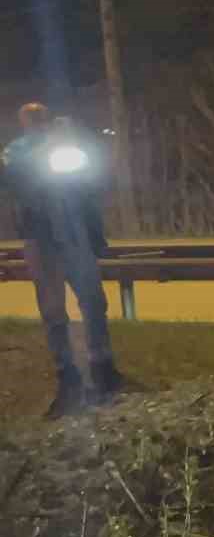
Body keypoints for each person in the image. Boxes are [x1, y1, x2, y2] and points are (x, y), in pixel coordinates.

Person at [1, 102, 123, 416]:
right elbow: (12, 178)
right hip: (40, 238)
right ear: (24, 122)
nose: (39, 121)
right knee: (54, 309)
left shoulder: (68, 149)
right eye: (32, 117)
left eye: (42, 115)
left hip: (74, 232)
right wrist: (45, 150)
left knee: (93, 300)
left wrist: (95, 233)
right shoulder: (16, 150)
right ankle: (67, 374)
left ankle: (102, 365)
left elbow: (89, 185)